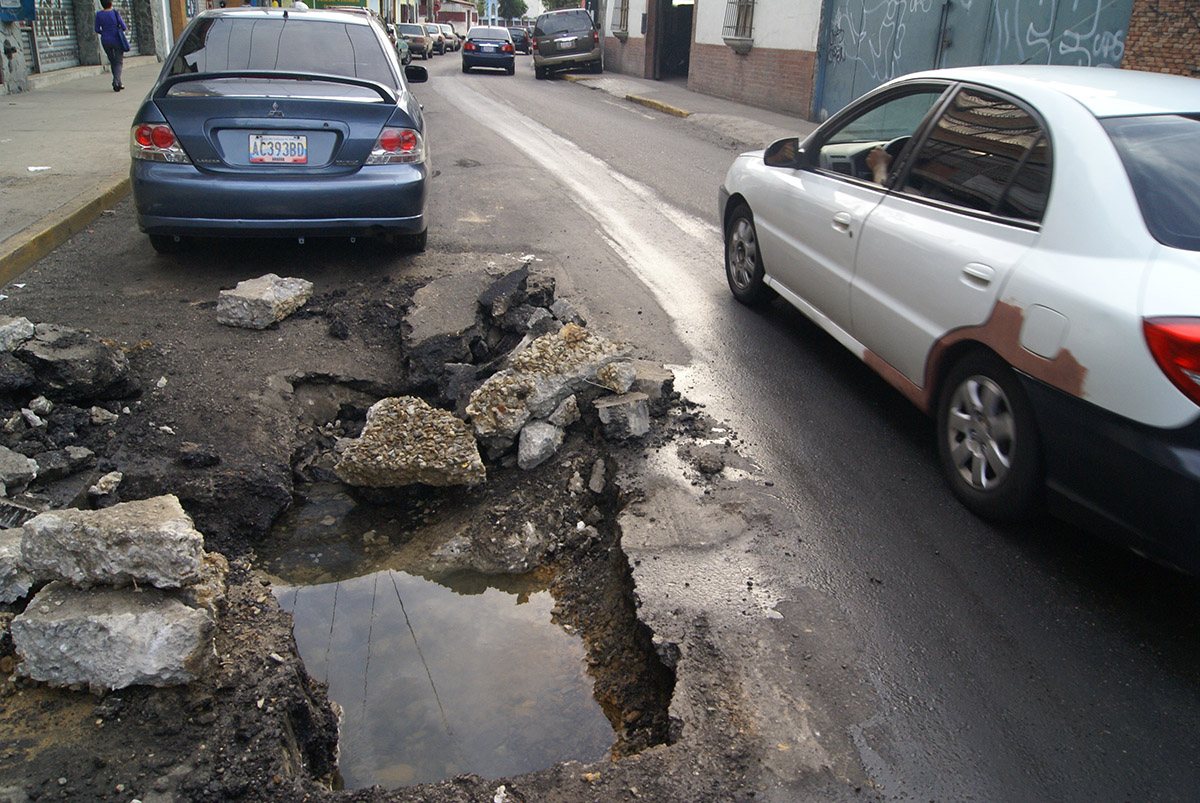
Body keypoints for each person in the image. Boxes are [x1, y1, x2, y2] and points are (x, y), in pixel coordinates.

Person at [94, 0, 128, 92]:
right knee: (118, 62)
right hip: (116, 40)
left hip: (105, 41)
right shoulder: (115, 13)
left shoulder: (99, 14)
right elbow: (124, 27)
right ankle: (116, 81)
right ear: (111, 3)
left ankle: (119, 83)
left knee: (113, 61)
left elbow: (97, 29)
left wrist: (104, 33)